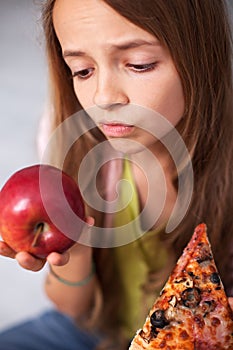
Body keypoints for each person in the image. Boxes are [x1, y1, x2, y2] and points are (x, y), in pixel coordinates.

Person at [0, 0, 233, 349]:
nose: (103, 97)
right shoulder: (67, 142)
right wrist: (73, 252)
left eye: (139, 65)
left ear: (201, 56)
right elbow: (73, 309)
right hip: (98, 326)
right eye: (82, 70)